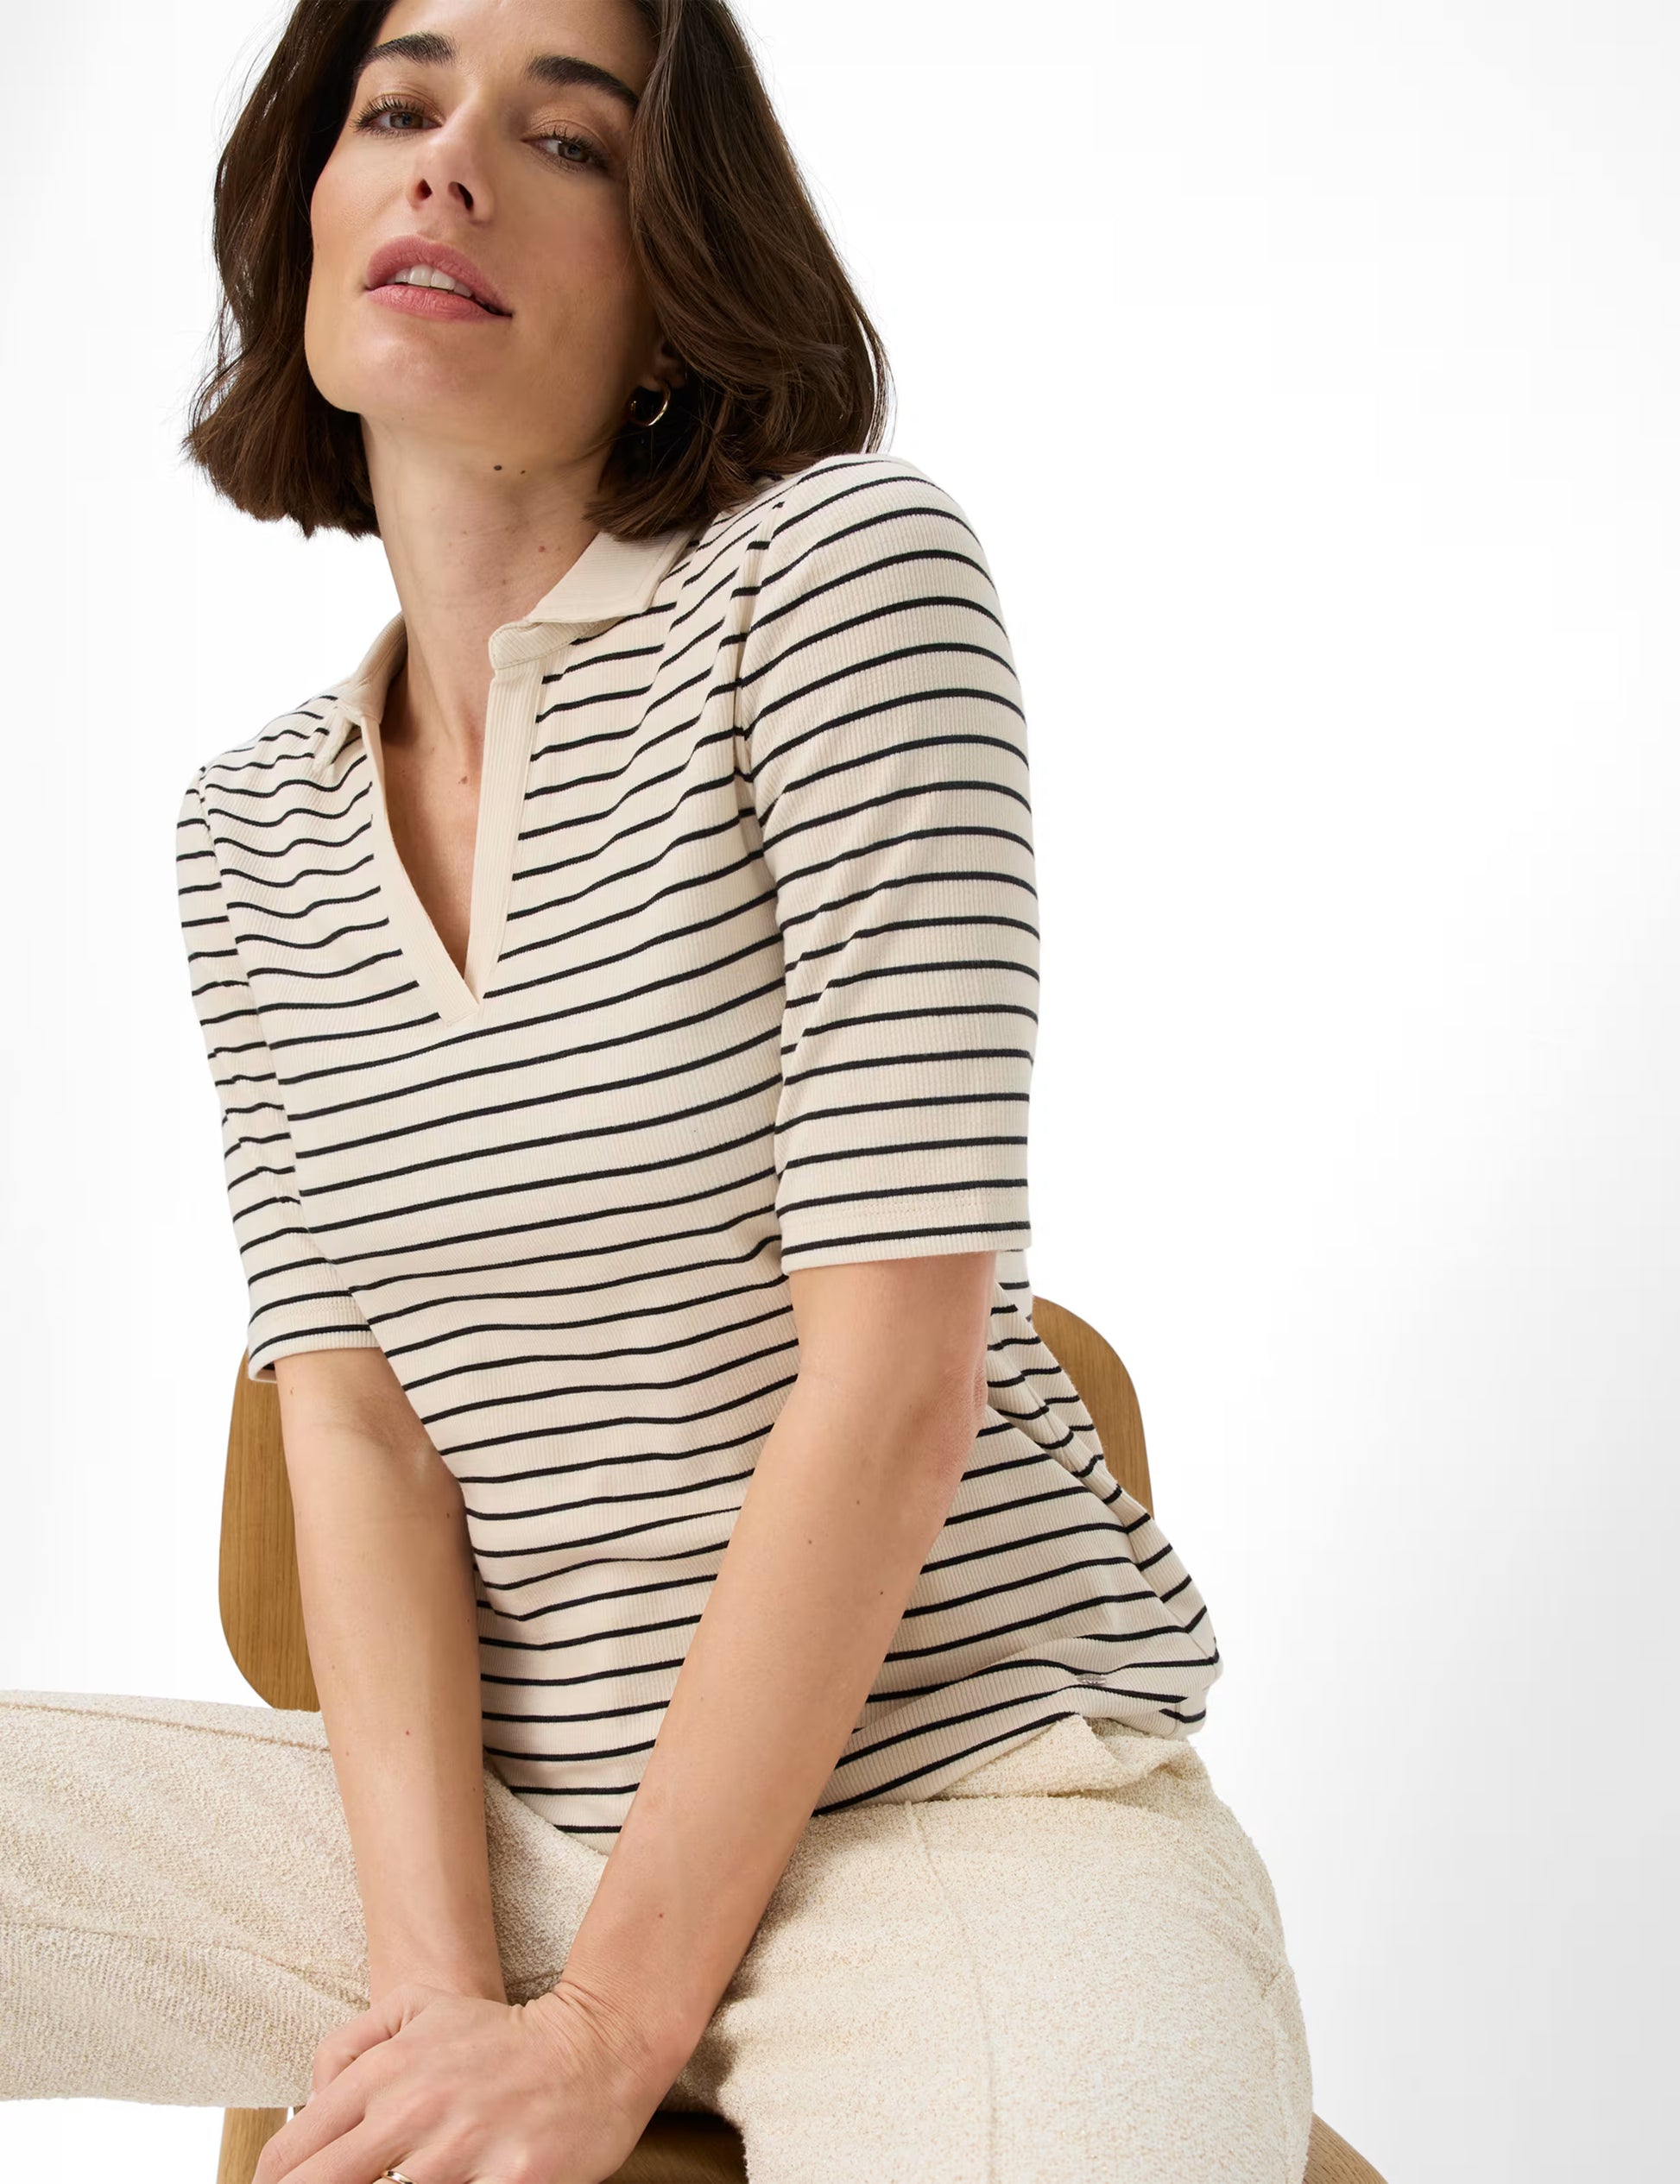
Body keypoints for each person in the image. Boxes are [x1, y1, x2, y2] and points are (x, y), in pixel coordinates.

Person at [0, 2, 1314, 2178]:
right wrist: (442, 1990)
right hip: (486, 1831)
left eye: (570, 138)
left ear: (677, 267)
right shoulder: (248, 833)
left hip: (953, 1819)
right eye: (398, 105)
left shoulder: (838, 584)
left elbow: (893, 1376)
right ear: (307, 206)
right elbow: (357, 1420)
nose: (447, 162)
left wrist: (610, 2027)